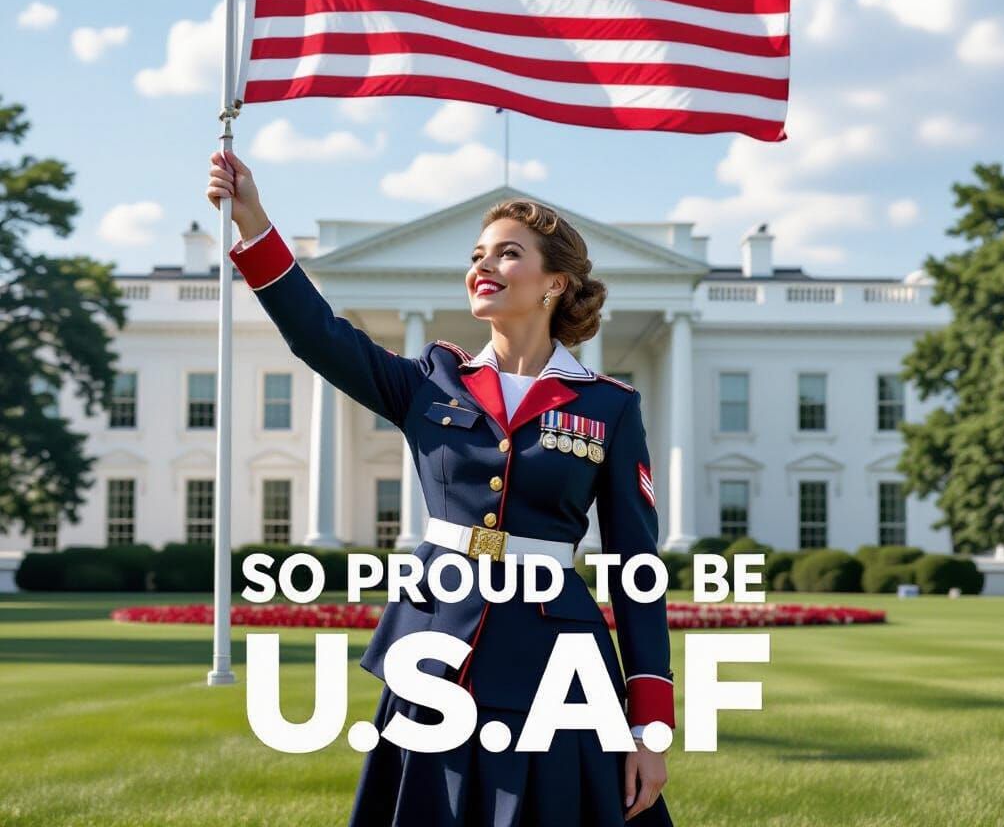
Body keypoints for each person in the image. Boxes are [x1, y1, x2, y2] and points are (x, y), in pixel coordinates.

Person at [207, 148, 676, 825]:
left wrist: (648, 728)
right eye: (478, 253)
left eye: (508, 254)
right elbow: (318, 336)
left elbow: (638, 569)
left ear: (555, 284)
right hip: (436, 644)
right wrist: (254, 223)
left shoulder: (609, 406)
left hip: (556, 659)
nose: (482, 266)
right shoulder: (431, 380)